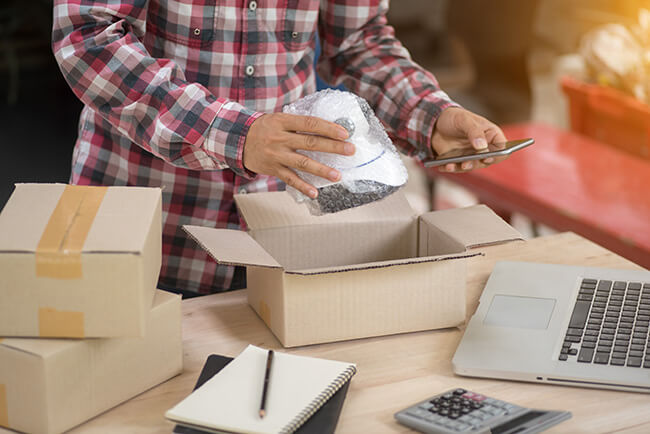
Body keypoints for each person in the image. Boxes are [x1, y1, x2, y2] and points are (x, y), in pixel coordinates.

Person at [52, 0, 507, 297]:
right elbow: (87, 38)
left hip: (277, 232)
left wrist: (428, 114)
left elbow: (357, 42)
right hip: (145, 229)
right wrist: (235, 135)